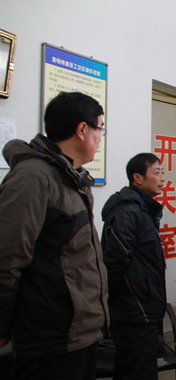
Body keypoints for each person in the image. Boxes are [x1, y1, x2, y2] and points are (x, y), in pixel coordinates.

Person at [0, 91, 108, 380]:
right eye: (100, 128)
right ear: (82, 130)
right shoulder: (33, 178)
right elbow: (7, 258)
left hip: (80, 334)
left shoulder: (72, 177)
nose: (101, 137)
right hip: (51, 339)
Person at [101, 153, 166, 379]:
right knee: (137, 370)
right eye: (156, 172)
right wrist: (114, 304)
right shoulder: (128, 211)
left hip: (143, 306)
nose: (162, 178)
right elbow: (114, 262)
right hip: (134, 310)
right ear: (137, 178)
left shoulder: (143, 208)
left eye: (163, 172)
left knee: (135, 368)